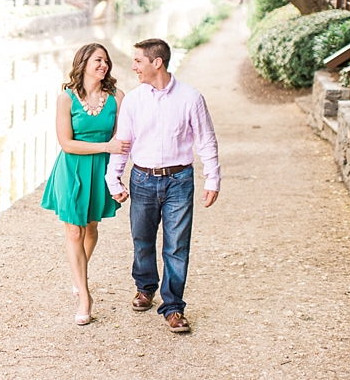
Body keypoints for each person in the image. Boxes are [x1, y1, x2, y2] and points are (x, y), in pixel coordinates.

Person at [105, 38, 221, 333]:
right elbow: (123, 144)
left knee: (176, 247)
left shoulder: (191, 98)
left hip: (180, 181)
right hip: (142, 179)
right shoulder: (133, 100)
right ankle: (145, 287)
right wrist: (113, 178)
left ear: (157, 63)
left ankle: (173, 308)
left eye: (138, 61)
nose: (133, 67)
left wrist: (213, 177)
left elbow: (205, 139)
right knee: (142, 240)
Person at [41, 43, 129, 326]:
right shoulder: (66, 99)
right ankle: (85, 297)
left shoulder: (117, 98)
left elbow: (123, 143)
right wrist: (106, 146)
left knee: (91, 228)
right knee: (74, 231)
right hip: (72, 170)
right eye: (98, 60)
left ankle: (80, 273)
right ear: (83, 63)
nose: (104, 65)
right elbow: (66, 143)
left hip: (100, 171)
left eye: (106, 60)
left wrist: (117, 177)